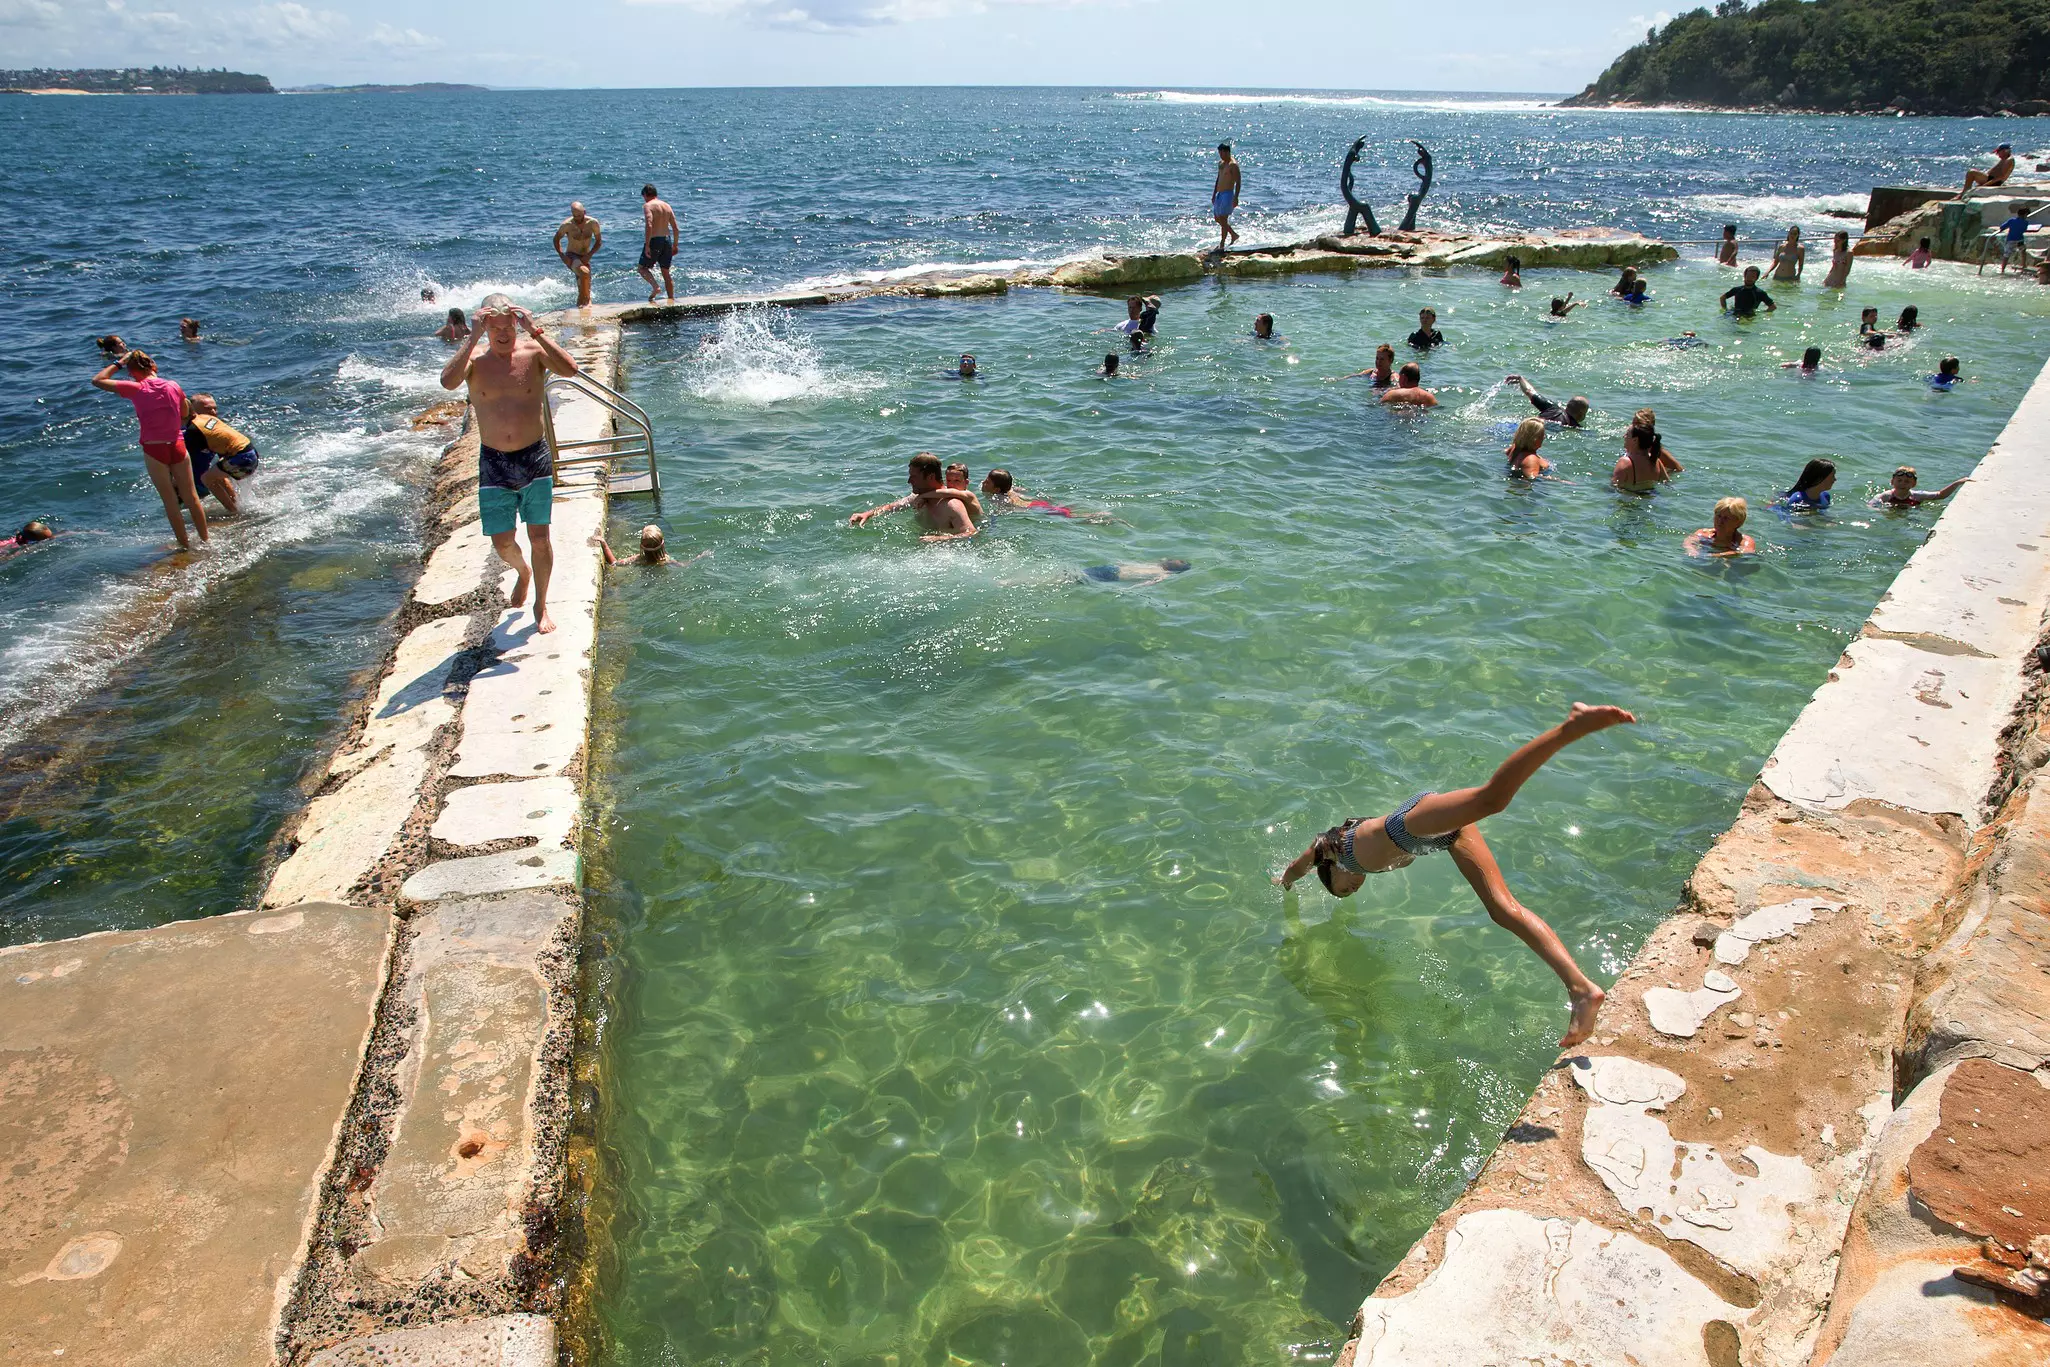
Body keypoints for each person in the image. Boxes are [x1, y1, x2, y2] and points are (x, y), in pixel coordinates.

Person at [1278, 702, 1637, 1048]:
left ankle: (1570, 728)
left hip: (1407, 824)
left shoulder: (1329, 849)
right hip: (1441, 839)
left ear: (1330, 873)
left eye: (1343, 891)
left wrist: (1286, 882)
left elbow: (1296, 867)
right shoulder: (1359, 862)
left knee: (1491, 800)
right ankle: (1582, 990)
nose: (1352, 889)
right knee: (1503, 909)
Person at [439, 293, 580, 634]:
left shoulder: (533, 352)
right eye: (495, 327)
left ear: (516, 325)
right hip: (494, 462)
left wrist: (537, 330)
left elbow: (571, 369)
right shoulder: (473, 359)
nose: (503, 334)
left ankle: (541, 605)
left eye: (509, 327)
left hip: (534, 457)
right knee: (502, 541)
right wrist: (471, 337)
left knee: (540, 537)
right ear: (485, 326)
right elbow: (447, 382)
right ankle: (523, 572)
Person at [92, 350, 208, 552]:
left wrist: (119, 362)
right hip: (177, 444)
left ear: (131, 372)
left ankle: (185, 546)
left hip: (155, 449)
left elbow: (98, 380)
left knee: (170, 500)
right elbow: (184, 413)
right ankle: (205, 541)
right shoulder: (174, 385)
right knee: (191, 496)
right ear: (154, 367)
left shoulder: (135, 388)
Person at [848, 452, 978, 542]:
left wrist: (940, 539)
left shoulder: (952, 504)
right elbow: (891, 506)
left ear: (931, 477)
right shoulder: (917, 497)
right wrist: (867, 514)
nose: (909, 481)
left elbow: (971, 532)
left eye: (914, 477)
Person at [181, 393, 260, 515]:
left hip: (241, 458)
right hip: (250, 453)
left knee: (206, 478)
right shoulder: (208, 420)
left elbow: (185, 456)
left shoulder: (194, 430)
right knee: (217, 473)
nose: (213, 411)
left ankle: (233, 511)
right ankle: (235, 503)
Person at [1611, 416, 1681, 492]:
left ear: (1635, 440)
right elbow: (1667, 482)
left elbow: (1613, 488)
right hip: (1652, 498)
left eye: (1627, 434)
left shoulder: (1625, 462)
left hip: (1630, 500)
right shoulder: (1656, 461)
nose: (1624, 436)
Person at [553, 201, 603, 308]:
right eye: (574, 216)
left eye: (579, 215)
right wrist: (562, 256)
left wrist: (589, 255)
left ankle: (582, 303)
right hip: (572, 256)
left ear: (584, 212)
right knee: (585, 272)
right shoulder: (567, 225)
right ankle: (587, 301)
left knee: (584, 278)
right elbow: (556, 239)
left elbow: (598, 241)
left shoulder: (593, 223)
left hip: (585, 256)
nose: (577, 218)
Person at [637, 184, 679, 305]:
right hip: (667, 240)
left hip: (655, 240)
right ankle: (671, 299)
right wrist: (675, 245)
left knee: (642, 268)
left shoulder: (647, 206)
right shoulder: (667, 206)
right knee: (665, 271)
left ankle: (656, 287)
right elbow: (676, 228)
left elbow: (649, 224)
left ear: (645, 195)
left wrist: (647, 245)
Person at [1506, 375, 1588, 428]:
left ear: (1567, 406)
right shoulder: (1574, 427)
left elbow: (1529, 391)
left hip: (1517, 426)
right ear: (1581, 414)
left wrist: (1520, 378)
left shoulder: (1552, 407)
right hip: (1535, 433)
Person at [1685, 497, 1756, 557]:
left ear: (1738, 522)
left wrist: (1718, 555)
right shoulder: (1703, 534)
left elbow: (1746, 552)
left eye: (1726, 518)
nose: (1720, 521)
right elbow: (1689, 542)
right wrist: (1692, 550)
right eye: (1718, 516)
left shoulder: (1745, 541)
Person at [1875, 466, 1967, 509]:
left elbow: (1940, 495)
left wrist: (1957, 483)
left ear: (1913, 484)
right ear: (1892, 482)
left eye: (1907, 481)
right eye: (1899, 480)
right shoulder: (1886, 496)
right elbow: (1871, 505)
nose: (1902, 484)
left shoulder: (1917, 496)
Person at [599, 524, 685, 566]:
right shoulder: (666, 560)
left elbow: (614, 563)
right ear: (662, 545)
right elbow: (682, 565)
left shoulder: (637, 559)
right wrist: (697, 558)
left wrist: (604, 544)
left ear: (641, 546)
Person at [1211, 143, 1240, 251]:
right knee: (1217, 218)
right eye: (1219, 153)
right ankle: (1233, 234)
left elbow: (1238, 182)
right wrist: (1214, 194)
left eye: (1222, 153)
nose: (1220, 155)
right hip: (1219, 194)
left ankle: (1222, 243)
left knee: (1223, 218)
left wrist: (1236, 197)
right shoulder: (1221, 163)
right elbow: (1218, 179)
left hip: (1228, 194)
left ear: (1227, 152)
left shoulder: (1233, 165)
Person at [1081, 559, 1190, 585]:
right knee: (1079, 579)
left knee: (1081, 573)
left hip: (1113, 568)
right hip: (1114, 575)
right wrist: (1131, 589)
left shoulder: (1154, 564)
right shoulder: (1164, 574)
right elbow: (1147, 584)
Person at [1998, 205, 2034, 274]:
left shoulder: (2011, 220)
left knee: (2006, 255)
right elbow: (2024, 229)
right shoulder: (2025, 222)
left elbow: (2002, 227)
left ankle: (2002, 269)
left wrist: (2002, 229)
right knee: (2023, 251)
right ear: (2025, 215)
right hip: (2020, 240)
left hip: (2011, 240)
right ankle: (2023, 265)